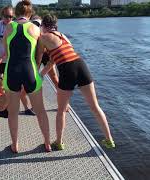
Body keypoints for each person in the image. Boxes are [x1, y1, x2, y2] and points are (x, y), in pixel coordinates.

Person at [38, 14, 115, 150]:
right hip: (81, 65)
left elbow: (39, 60)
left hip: (67, 69)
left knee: (61, 110)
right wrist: (42, 75)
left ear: (43, 25)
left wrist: (37, 74)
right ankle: (109, 140)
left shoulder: (43, 38)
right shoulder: (63, 36)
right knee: (95, 107)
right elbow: (53, 60)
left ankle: (59, 142)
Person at [2, 0, 51, 153]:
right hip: (30, 71)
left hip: (11, 71)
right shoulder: (35, 28)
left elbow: (7, 53)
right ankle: (47, 143)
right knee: (41, 110)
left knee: (13, 112)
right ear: (30, 14)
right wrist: (36, 68)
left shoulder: (9, 27)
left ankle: (15, 145)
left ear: (16, 13)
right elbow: (40, 53)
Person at [0, 6, 35, 116]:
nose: (9, 18)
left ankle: (26, 108)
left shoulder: (16, 26)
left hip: (12, 61)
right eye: (6, 16)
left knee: (18, 87)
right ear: (2, 16)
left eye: (11, 16)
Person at [31, 15, 59, 87]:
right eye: (34, 23)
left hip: (46, 54)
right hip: (35, 54)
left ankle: (62, 94)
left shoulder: (45, 31)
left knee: (54, 78)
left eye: (39, 24)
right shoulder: (30, 29)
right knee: (33, 78)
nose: (36, 25)